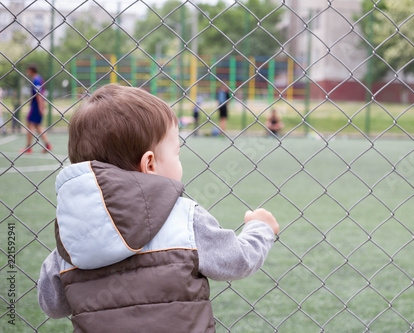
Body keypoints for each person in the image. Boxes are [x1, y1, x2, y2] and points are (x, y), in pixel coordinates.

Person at [37, 84, 279, 332]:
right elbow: (237, 261)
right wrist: (260, 228)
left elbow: (52, 304)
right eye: (177, 153)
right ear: (150, 164)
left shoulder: (73, 236)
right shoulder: (184, 216)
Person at [21, 64, 51, 153]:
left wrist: (41, 107)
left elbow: (39, 94)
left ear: (31, 71)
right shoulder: (39, 79)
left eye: (28, 70)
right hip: (36, 105)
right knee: (37, 126)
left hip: (36, 107)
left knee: (30, 124)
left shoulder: (36, 80)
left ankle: (29, 147)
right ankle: (47, 145)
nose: (27, 72)